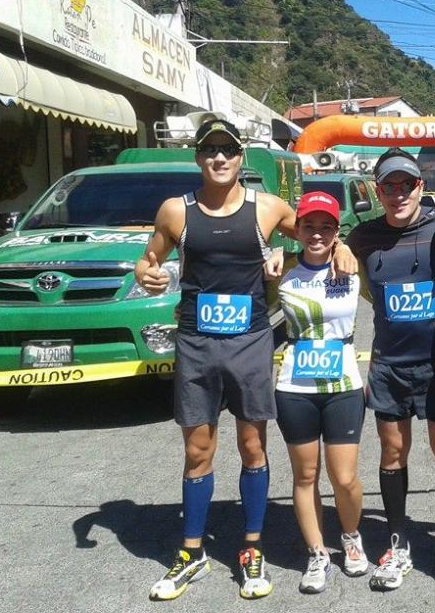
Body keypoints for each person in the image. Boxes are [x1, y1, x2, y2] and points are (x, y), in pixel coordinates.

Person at [135, 119, 355, 601]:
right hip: (197, 342)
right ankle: (191, 552)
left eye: (228, 150)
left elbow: (318, 235)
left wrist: (341, 249)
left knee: (253, 446)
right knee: (198, 450)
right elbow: (149, 259)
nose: (219, 158)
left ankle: (250, 547)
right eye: (210, 150)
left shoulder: (268, 208)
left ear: (241, 157)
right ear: (197, 157)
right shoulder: (177, 211)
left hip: (251, 341)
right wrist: (146, 273)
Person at [345, 147, 435, 592]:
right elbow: (325, 255)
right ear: (378, 191)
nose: (398, 193)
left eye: (407, 184)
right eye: (389, 185)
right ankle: (398, 544)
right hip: (389, 366)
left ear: (421, 186)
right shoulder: (360, 238)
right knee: (392, 454)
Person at [273, 190, 369, 593]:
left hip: (344, 385)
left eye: (325, 226)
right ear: (296, 230)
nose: (316, 233)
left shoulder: (351, 267)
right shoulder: (281, 272)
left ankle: (350, 537)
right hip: (295, 386)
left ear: (336, 230)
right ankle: (317, 553)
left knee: (344, 477)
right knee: (306, 474)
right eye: (308, 226)